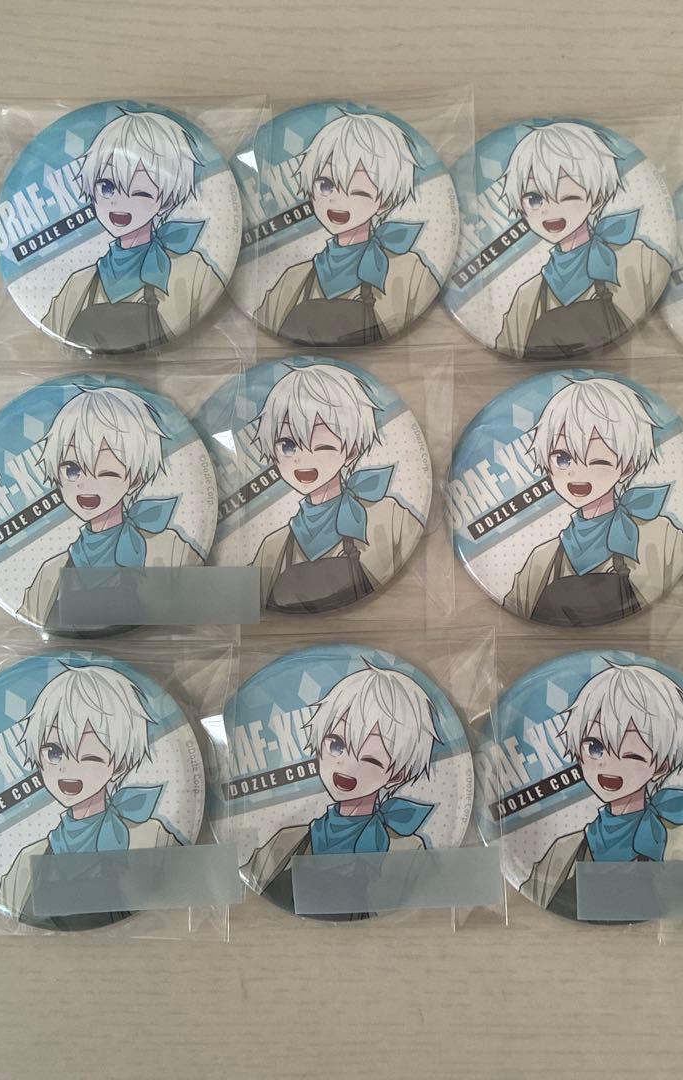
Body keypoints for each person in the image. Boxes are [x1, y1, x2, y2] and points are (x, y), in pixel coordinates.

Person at [521, 663, 683, 914]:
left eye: (632, 755)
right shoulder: (563, 851)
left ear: (661, 766)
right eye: (595, 747)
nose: (608, 765)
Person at [242, 664, 440, 908]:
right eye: (336, 745)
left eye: (371, 759)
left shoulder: (408, 851)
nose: (346, 765)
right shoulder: (286, 841)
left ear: (397, 775)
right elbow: (243, 888)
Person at [0, 664, 180, 925]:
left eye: (90, 756)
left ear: (119, 766)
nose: (68, 769)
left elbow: (183, 894)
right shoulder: (28, 860)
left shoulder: (151, 837)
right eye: (54, 752)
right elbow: (5, 912)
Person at [503, 376, 683, 626]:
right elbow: (514, 613)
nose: (577, 473)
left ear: (626, 467)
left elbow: (682, 611)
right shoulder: (542, 559)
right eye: (563, 458)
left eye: (599, 461)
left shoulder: (662, 537)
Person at [18, 386, 203, 629]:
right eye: (72, 470)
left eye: (107, 472)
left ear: (134, 480)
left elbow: (201, 605)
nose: (86, 485)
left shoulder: (170, 548)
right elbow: (29, 620)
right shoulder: (50, 573)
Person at [43, 109, 224, 352]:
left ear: (166, 202)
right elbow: (51, 340)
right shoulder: (78, 286)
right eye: (107, 187)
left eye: (140, 193)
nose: (118, 202)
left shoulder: (192, 272)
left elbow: (211, 341)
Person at [249, 364, 423, 613]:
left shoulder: (390, 517)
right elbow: (235, 605)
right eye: (288, 445)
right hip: (292, 631)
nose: (302, 459)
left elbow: (422, 591)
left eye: (322, 445)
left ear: (351, 451)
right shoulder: (273, 547)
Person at [255, 112, 439, 345]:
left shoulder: (409, 272)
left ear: (385, 202)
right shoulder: (293, 280)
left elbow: (427, 339)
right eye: (326, 185)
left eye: (359, 192)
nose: (336, 200)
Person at [494, 121, 671, 359]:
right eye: (535, 199)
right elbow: (509, 349)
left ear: (596, 200)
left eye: (568, 197)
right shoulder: (527, 297)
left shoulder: (639, 260)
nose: (549, 210)